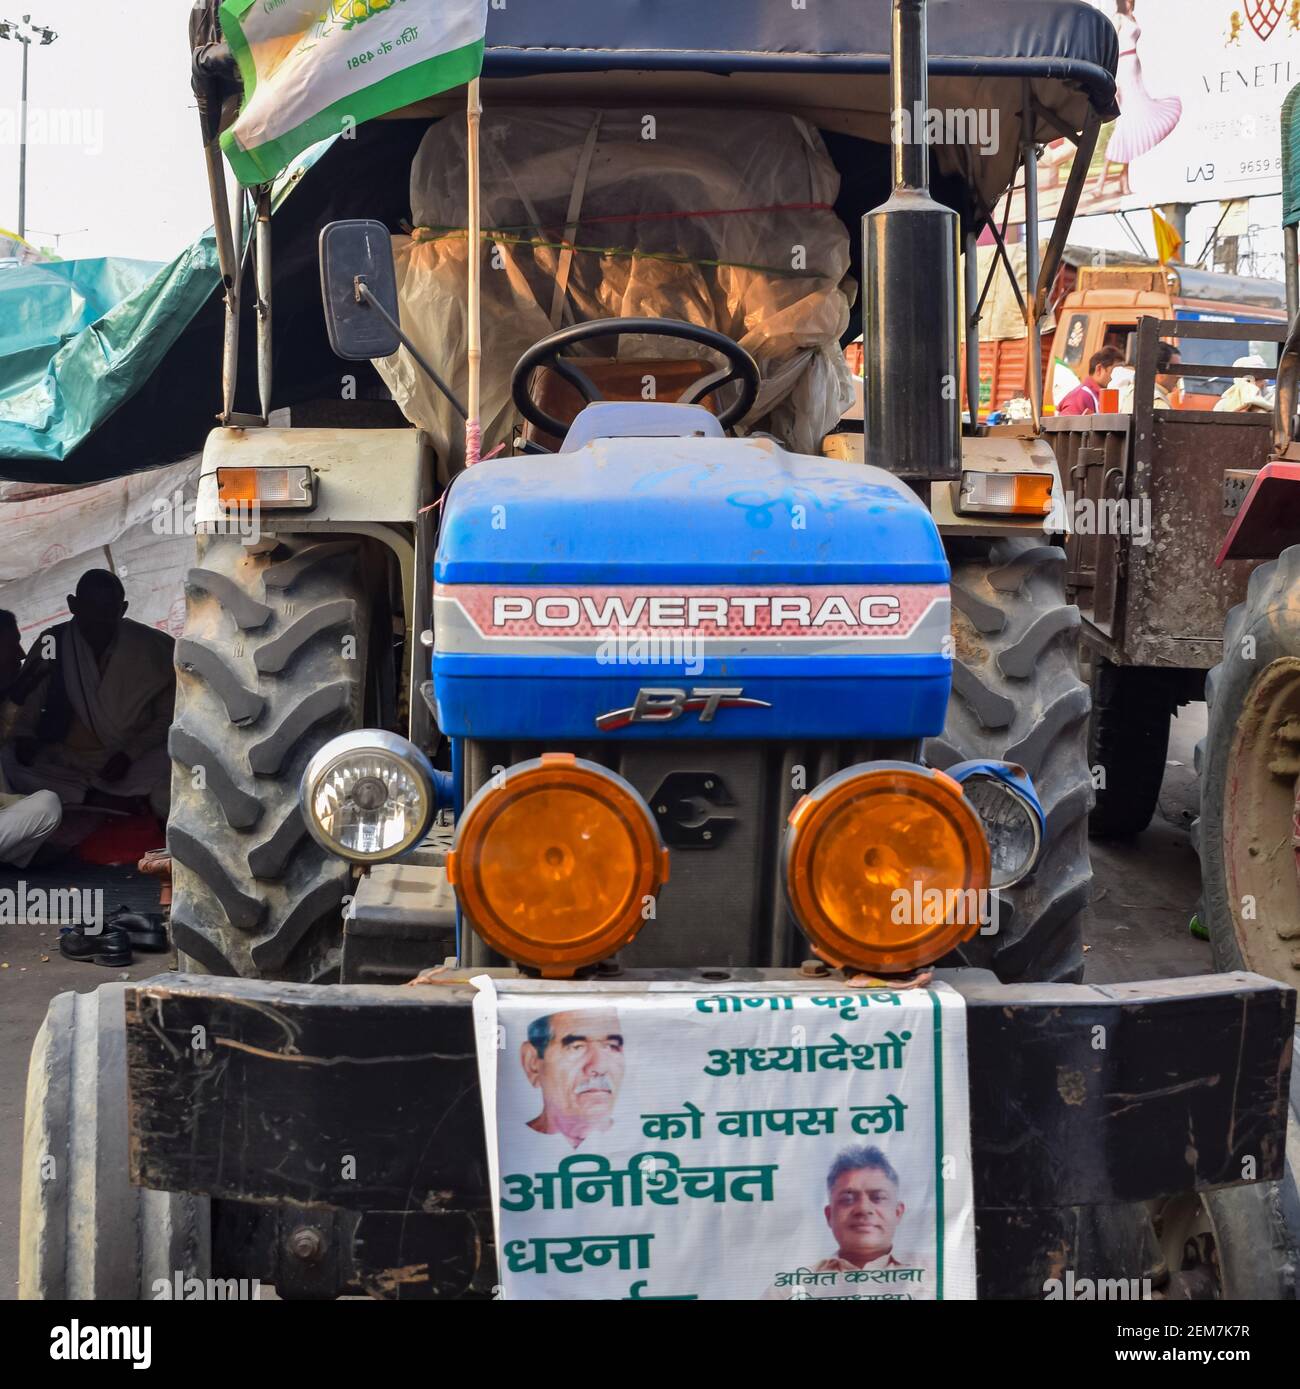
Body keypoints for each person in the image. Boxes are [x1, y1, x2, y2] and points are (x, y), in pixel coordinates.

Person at [0, 570, 176, 821]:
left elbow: (167, 716)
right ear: (73, 605)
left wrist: (130, 754)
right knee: (10, 761)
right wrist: (25, 736)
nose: (99, 619)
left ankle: (105, 797)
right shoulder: (53, 643)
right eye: (91, 608)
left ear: (123, 609)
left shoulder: (153, 647)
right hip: (66, 761)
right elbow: (29, 701)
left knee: (175, 759)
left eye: (108, 609)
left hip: (132, 758)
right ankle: (99, 799)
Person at [765, 1145, 929, 1299]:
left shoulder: (937, 1275)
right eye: (848, 1199)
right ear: (829, 1215)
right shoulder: (789, 1289)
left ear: (898, 1212)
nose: (863, 1209)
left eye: (878, 1198)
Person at [520, 1009, 626, 1150]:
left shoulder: (646, 1142)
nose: (599, 1067)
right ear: (532, 1063)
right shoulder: (505, 1141)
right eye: (576, 1047)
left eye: (611, 1046)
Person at [1056, 346, 1124, 415]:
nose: (1120, 375)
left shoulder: (1103, 396)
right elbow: (1068, 424)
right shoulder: (1080, 397)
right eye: (1116, 370)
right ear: (1099, 369)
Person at [1117, 341, 1181, 412]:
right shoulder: (1158, 403)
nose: (1179, 376)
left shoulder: (1132, 392)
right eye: (1174, 369)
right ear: (1157, 370)